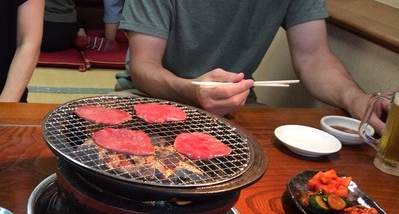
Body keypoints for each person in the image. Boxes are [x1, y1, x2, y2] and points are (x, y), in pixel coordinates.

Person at [114, 0, 386, 133]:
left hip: (235, 105)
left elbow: (313, 56)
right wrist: (192, 90)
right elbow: (144, 66)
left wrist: (356, 98)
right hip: (149, 96)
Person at [42, 0, 122, 53]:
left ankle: (79, 33)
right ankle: (80, 33)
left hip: (36, 36)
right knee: (78, 20)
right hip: (64, 30)